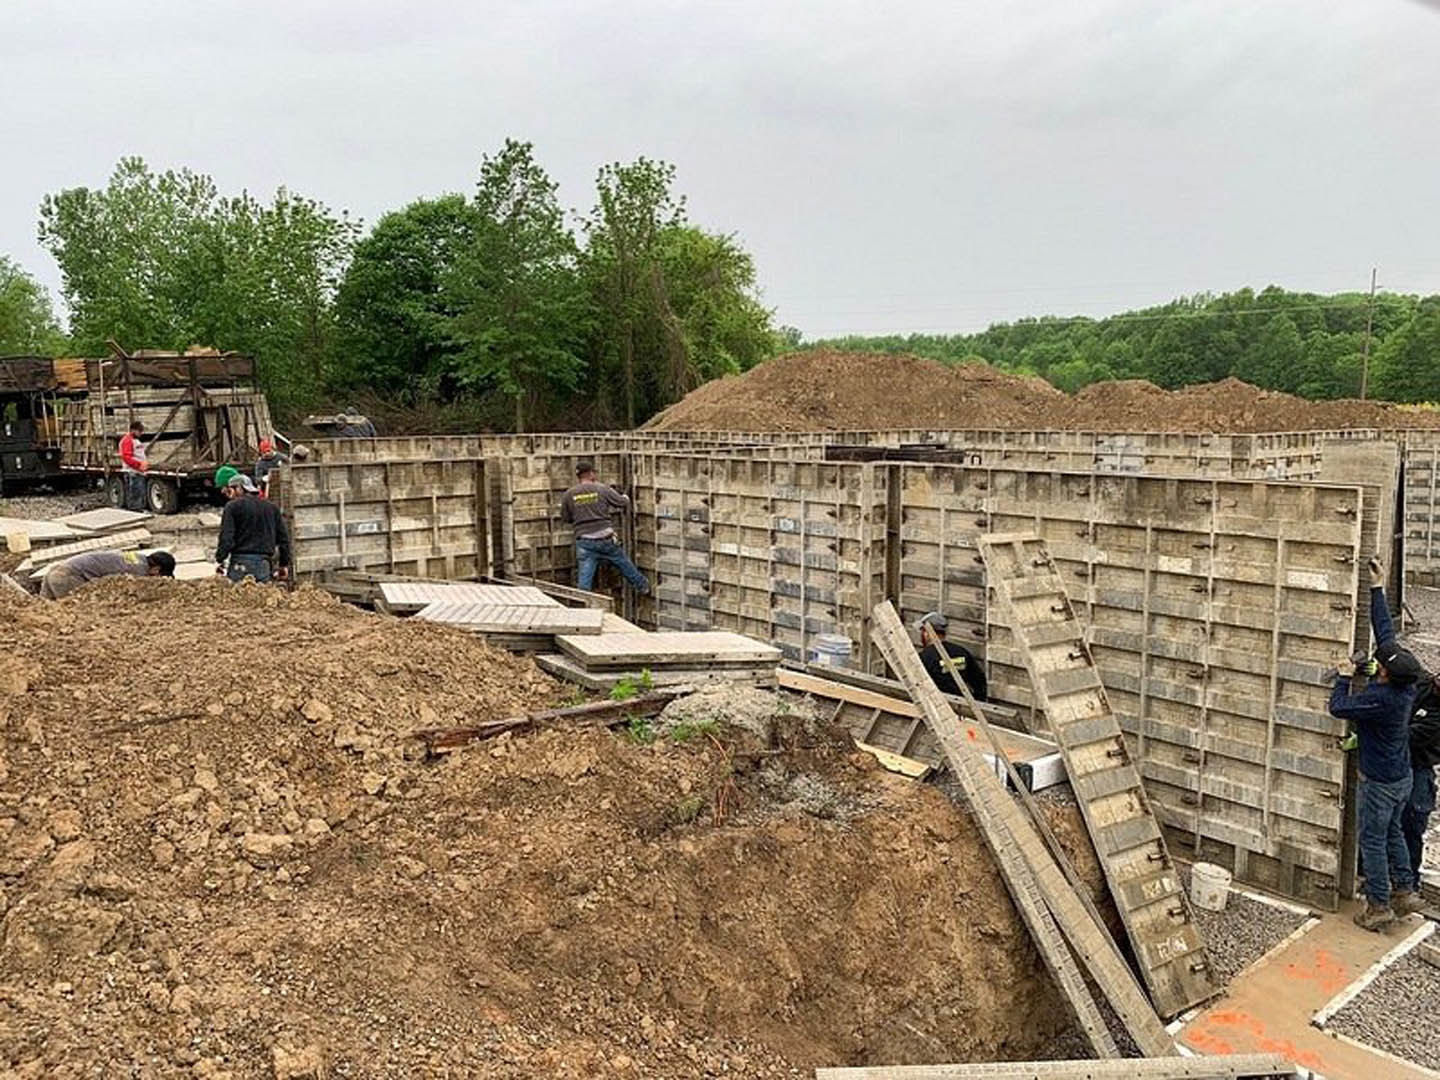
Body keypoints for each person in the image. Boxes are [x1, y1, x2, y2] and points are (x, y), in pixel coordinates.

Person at [1329, 558, 1426, 929]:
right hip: (1400, 777)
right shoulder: (1406, 684)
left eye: (1379, 666)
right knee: (1394, 832)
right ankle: (1405, 890)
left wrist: (1342, 676)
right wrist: (1377, 587)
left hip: (1381, 782)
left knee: (1372, 839)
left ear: (1384, 673)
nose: (1377, 664)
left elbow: (1339, 708)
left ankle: (1379, 906)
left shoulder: (1381, 701)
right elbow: (1385, 634)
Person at [560, 461, 649, 594]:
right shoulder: (602, 489)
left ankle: (583, 602)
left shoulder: (569, 494)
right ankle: (642, 586)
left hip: (585, 542)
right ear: (590, 473)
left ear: (578, 476)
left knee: (585, 577)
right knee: (623, 562)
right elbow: (622, 502)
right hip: (605, 539)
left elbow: (566, 518)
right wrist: (625, 496)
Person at [1398, 670, 1440, 908]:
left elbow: (1402, 734)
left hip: (1418, 768)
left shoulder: (1435, 720)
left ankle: (1409, 884)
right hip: (1402, 765)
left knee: (1412, 826)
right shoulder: (1424, 683)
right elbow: (1405, 666)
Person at [216, 472, 292, 584]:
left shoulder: (232, 507)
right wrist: (283, 564)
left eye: (230, 490)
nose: (229, 495)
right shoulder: (271, 508)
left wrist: (220, 560)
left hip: (240, 564)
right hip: (263, 564)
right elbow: (283, 540)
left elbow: (226, 539)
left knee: (238, 599)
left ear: (239, 488)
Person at [40, 549, 176, 599]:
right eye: (160, 577)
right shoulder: (139, 571)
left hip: (56, 571)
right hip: (67, 577)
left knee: (43, 611)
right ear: (156, 569)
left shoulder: (138, 557)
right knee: (75, 614)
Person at [917, 611, 987, 701]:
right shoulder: (961, 652)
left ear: (926, 633)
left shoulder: (924, 657)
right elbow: (979, 681)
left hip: (938, 704)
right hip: (962, 704)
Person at [118, 420, 147, 511]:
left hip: (137, 471)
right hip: (132, 471)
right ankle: (135, 510)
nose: (141, 433)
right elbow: (126, 457)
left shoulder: (134, 440)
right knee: (135, 492)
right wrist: (139, 465)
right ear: (133, 430)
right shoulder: (127, 440)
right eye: (140, 431)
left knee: (138, 492)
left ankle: (137, 509)